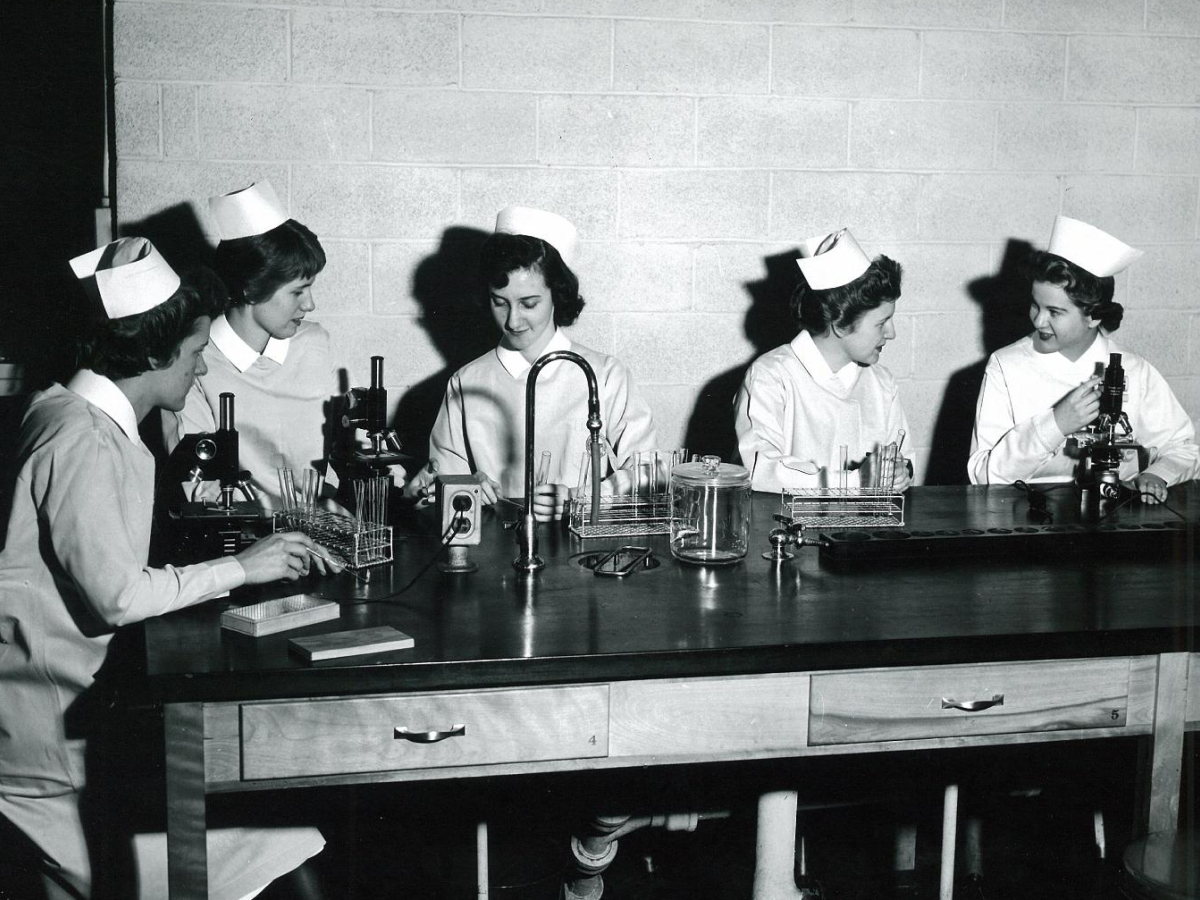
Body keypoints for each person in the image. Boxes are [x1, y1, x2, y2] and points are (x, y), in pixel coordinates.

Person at [0, 237, 337, 900]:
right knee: (286, 849)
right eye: (194, 354)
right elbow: (119, 595)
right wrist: (241, 568)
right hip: (51, 748)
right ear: (153, 354)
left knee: (282, 839)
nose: (202, 372)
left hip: (64, 722)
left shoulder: (63, 409)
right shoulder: (85, 441)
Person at [409, 206, 658, 520]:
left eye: (529, 303)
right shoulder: (466, 382)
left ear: (558, 293)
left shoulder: (606, 376)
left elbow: (648, 473)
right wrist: (459, 488)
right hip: (492, 556)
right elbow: (440, 483)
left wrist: (581, 499)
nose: (513, 321)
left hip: (583, 552)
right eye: (499, 302)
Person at [968, 215, 1199, 500]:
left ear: (1093, 316)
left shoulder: (1134, 369)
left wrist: (1156, 474)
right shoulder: (1005, 366)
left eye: (1055, 312)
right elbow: (982, 474)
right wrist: (1055, 424)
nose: (1038, 321)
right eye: (1034, 305)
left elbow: (1182, 448)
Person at [162, 181, 343, 511]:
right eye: (298, 291)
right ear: (250, 289)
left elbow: (337, 457)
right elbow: (197, 485)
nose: (310, 305)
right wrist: (291, 511)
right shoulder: (194, 363)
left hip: (319, 522)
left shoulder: (315, 343)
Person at [734, 228, 914, 493]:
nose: (892, 333)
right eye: (881, 323)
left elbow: (904, 457)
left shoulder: (882, 381)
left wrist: (900, 472)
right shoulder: (771, 376)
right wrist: (855, 482)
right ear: (841, 325)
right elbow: (759, 469)